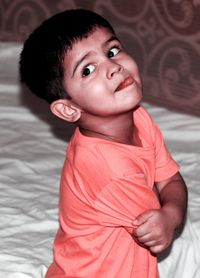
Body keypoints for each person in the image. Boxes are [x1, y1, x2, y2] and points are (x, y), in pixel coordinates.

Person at [19, 9, 188, 278]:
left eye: (112, 51)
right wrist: (168, 214)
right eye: (88, 69)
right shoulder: (109, 169)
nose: (113, 67)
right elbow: (160, 205)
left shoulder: (138, 117)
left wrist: (171, 215)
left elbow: (170, 180)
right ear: (69, 109)